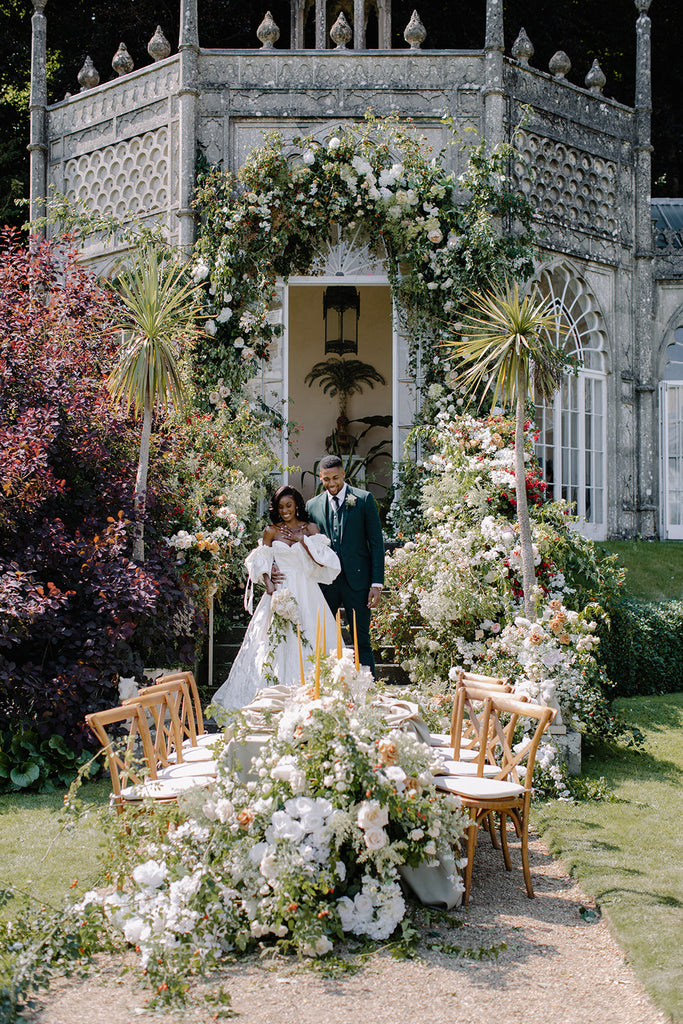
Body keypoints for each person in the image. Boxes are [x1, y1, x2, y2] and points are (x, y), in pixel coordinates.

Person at [212, 485, 341, 710]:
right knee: (275, 643)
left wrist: (303, 540)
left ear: (297, 505)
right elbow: (259, 561)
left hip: (307, 591)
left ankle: (314, 697)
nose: (285, 511)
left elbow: (325, 561)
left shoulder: (310, 528)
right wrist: (269, 580)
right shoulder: (271, 531)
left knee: (311, 639)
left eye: (289, 505)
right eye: (280, 507)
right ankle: (273, 698)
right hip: (281, 591)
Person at [306, 455, 384, 676]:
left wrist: (376, 584)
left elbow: (376, 543)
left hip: (357, 583)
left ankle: (370, 689)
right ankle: (326, 689)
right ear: (320, 477)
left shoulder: (364, 499)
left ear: (344, 474)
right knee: (322, 640)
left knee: (361, 641)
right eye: (326, 479)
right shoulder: (312, 506)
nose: (332, 484)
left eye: (336, 478)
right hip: (325, 583)